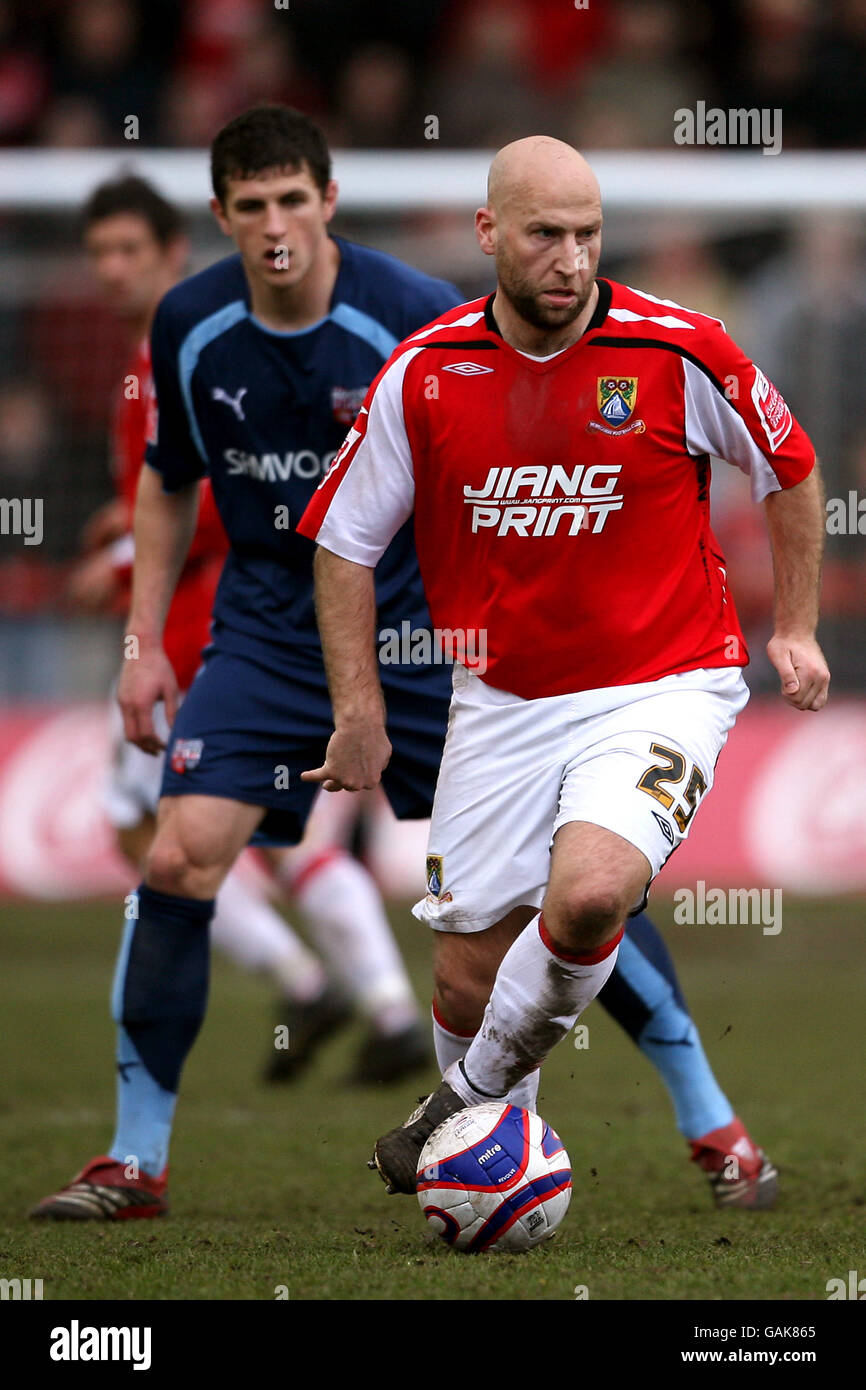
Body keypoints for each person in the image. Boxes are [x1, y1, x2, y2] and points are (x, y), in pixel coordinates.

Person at [33, 110, 787, 1222]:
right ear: (222, 217)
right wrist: (143, 647)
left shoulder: (414, 316)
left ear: (330, 201)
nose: (277, 226)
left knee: (573, 891)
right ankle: (132, 1163)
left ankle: (708, 1119)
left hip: (442, 642)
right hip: (268, 633)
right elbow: (164, 482)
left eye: (295, 200)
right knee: (179, 857)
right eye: (253, 207)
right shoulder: (189, 327)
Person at [297, 135, 830, 1200]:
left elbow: (790, 466)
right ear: (488, 232)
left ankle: (461, 1105)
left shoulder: (680, 351)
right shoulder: (426, 373)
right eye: (544, 234)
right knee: (464, 974)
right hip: (496, 702)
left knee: (590, 894)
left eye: (587, 235)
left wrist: (797, 627)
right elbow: (341, 542)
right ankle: (491, 1178)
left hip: (662, 679)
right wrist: (358, 708)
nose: (571, 259)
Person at [68, 173, 428, 1092]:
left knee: (154, 839)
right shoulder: (171, 348)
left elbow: (241, 510)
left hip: (230, 638)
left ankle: (316, 985)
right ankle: (378, 1003)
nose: (111, 270)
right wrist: (125, 530)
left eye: (129, 252)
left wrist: (119, 581)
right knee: (265, 839)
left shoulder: (193, 348)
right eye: (98, 252)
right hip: (255, 633)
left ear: (175, 250)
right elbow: (166, 488)